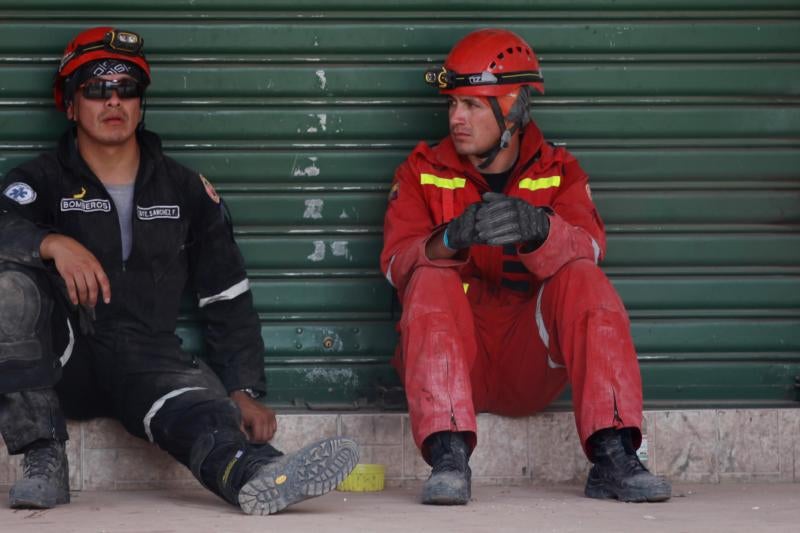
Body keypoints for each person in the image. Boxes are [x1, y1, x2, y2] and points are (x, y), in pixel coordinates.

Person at [0, 26, 358, 515]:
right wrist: (51, 242)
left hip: (145, 357)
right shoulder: (37, 180)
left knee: (202, 413)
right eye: (96, 90)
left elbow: (227, 295)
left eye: (127, 89)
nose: (114, 101)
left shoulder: (185, 189)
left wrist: (244, 389)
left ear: (141, 104)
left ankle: (258, 472)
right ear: (69, 104)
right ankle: (44, 459)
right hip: (63, 358)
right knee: (9, 291)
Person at [380, 28, 671, 505]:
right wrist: (450, 239)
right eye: (453, 104)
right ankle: (449, 457)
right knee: (429, 276)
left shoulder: (559, 169)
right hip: (456, 361)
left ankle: (613, 454)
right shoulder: (420, 169)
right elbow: (395, 264)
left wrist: (542, 229)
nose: (456, 117)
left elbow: (592, 248)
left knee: (584, 278)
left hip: (530, 360)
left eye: (473, 105)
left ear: (512, 107)